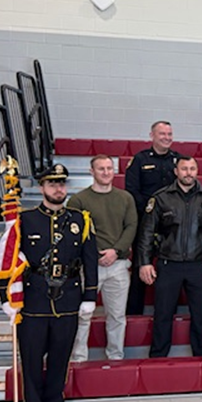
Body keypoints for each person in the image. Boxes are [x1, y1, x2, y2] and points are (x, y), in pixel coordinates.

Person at [0, 164, 98, 402]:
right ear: (41, 187)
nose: (58, 189)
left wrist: (90, 296)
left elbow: (90, 261)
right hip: (33, 301)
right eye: (52, 184)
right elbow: (6, 258)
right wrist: (6, 298)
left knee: (59, 361)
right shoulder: (25, 220)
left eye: (61, 184)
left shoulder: (80, 219)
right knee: (30, 362)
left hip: (68, 299)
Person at [137, 156, 202, 358]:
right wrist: (144, 263)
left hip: (199, 265)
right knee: (162, 316)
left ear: (197, 170)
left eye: (192, 168)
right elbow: (147, 233)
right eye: (184, 168)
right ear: (176, 171)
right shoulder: (160, 198)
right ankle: (158, 358)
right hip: (169, 265)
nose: (188, 172)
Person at [69, 155, 137, 362]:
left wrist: (115, 251)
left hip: (118, 264)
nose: (106, 172)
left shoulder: (125, 198)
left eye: (109, 168)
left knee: (117, 316)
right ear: (92, 172)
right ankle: (78, 358)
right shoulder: (78, 200)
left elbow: (131, 227)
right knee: (82, 315)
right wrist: (93, 255)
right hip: (88, 268)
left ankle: (115, 357)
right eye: (101, 169)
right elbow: (74, 234)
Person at [125, 120, 181, 315]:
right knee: (141, 268)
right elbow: (132, 192)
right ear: (152, 136)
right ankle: (134, 313)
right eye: (162, 134)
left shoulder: (178, 160)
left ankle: (169, 312)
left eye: (169, 134)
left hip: (172, 225)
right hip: (145, 223)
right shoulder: (140, 160)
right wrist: (152, 212)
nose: (167, 138)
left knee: (171, 271)